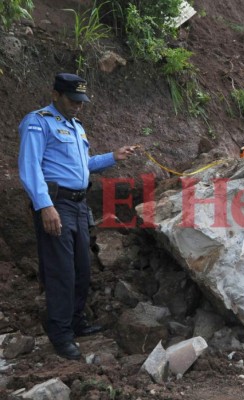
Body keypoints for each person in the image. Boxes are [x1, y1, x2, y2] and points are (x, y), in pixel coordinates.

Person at [18, 73, 138, 360]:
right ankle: (60, 333)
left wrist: (113, 156)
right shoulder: (38, 122)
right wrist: (45, 206)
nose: (78, 106)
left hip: (79, 205)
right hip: (56, 203)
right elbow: (30, 167)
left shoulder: (75, 127)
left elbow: (83, 166)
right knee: (61, 270)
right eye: (73, 101)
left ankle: (75, 321)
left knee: (82, 268)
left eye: (81, 102)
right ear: (56, 94)